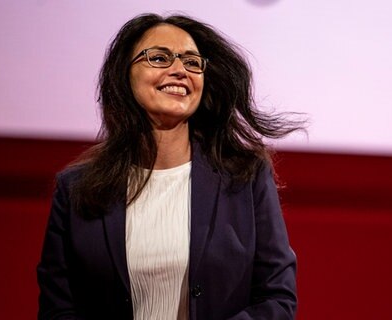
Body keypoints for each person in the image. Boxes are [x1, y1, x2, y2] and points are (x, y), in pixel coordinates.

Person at [37, 13, 302, 320]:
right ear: (124, 74)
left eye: (191, 62)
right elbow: (58, 310)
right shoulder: (76, 189)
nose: (179, 70)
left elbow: (277, 298)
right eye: (159, 58)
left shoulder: (245, 176)